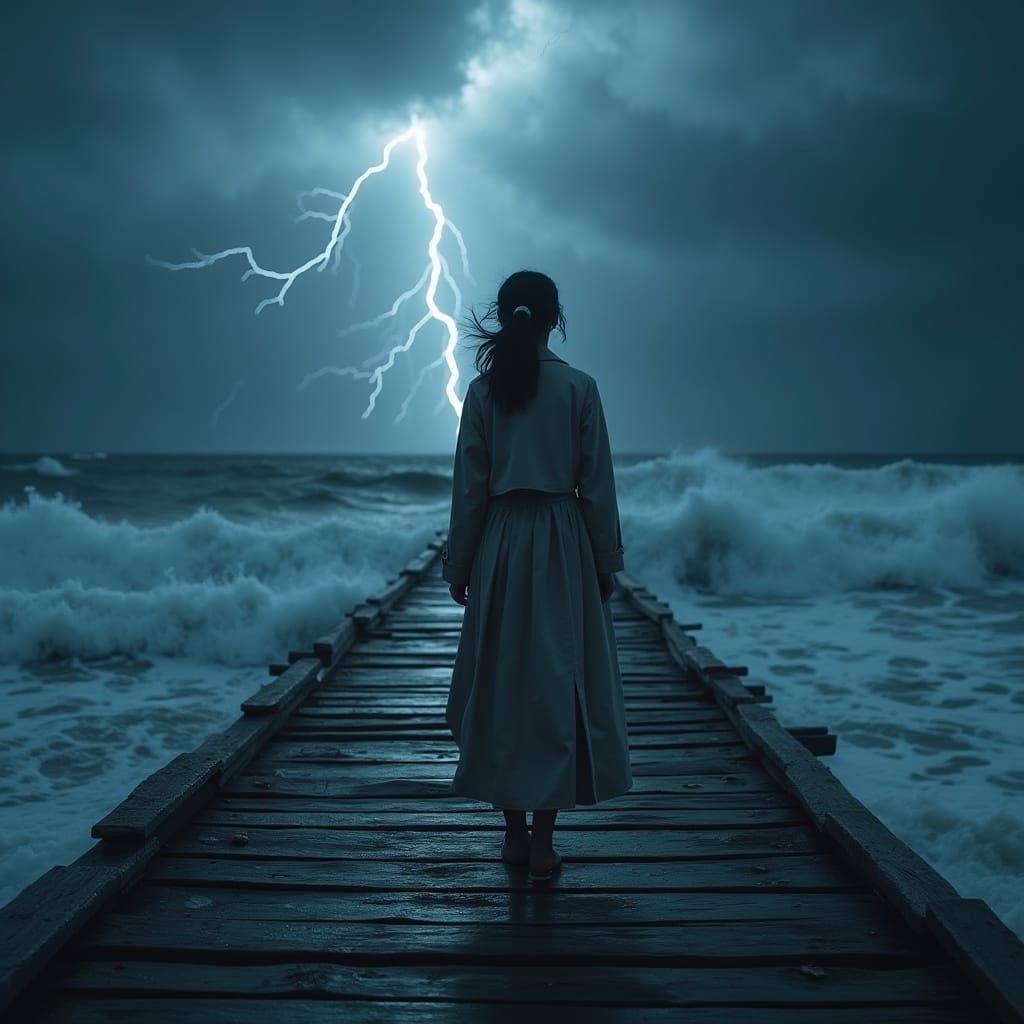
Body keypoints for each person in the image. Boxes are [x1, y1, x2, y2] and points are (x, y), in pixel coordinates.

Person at [441, 269, 633, 880]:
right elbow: (596, 486)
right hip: (560, 542)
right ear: (555, 318)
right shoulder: (580, 387)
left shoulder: (481, 393)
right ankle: (546, 841)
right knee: (556, 684)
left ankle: (513, 835)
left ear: (505, 317)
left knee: (500, 683)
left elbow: (470, 489)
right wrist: (606, 563)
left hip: (501, 540)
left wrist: (460, 563)